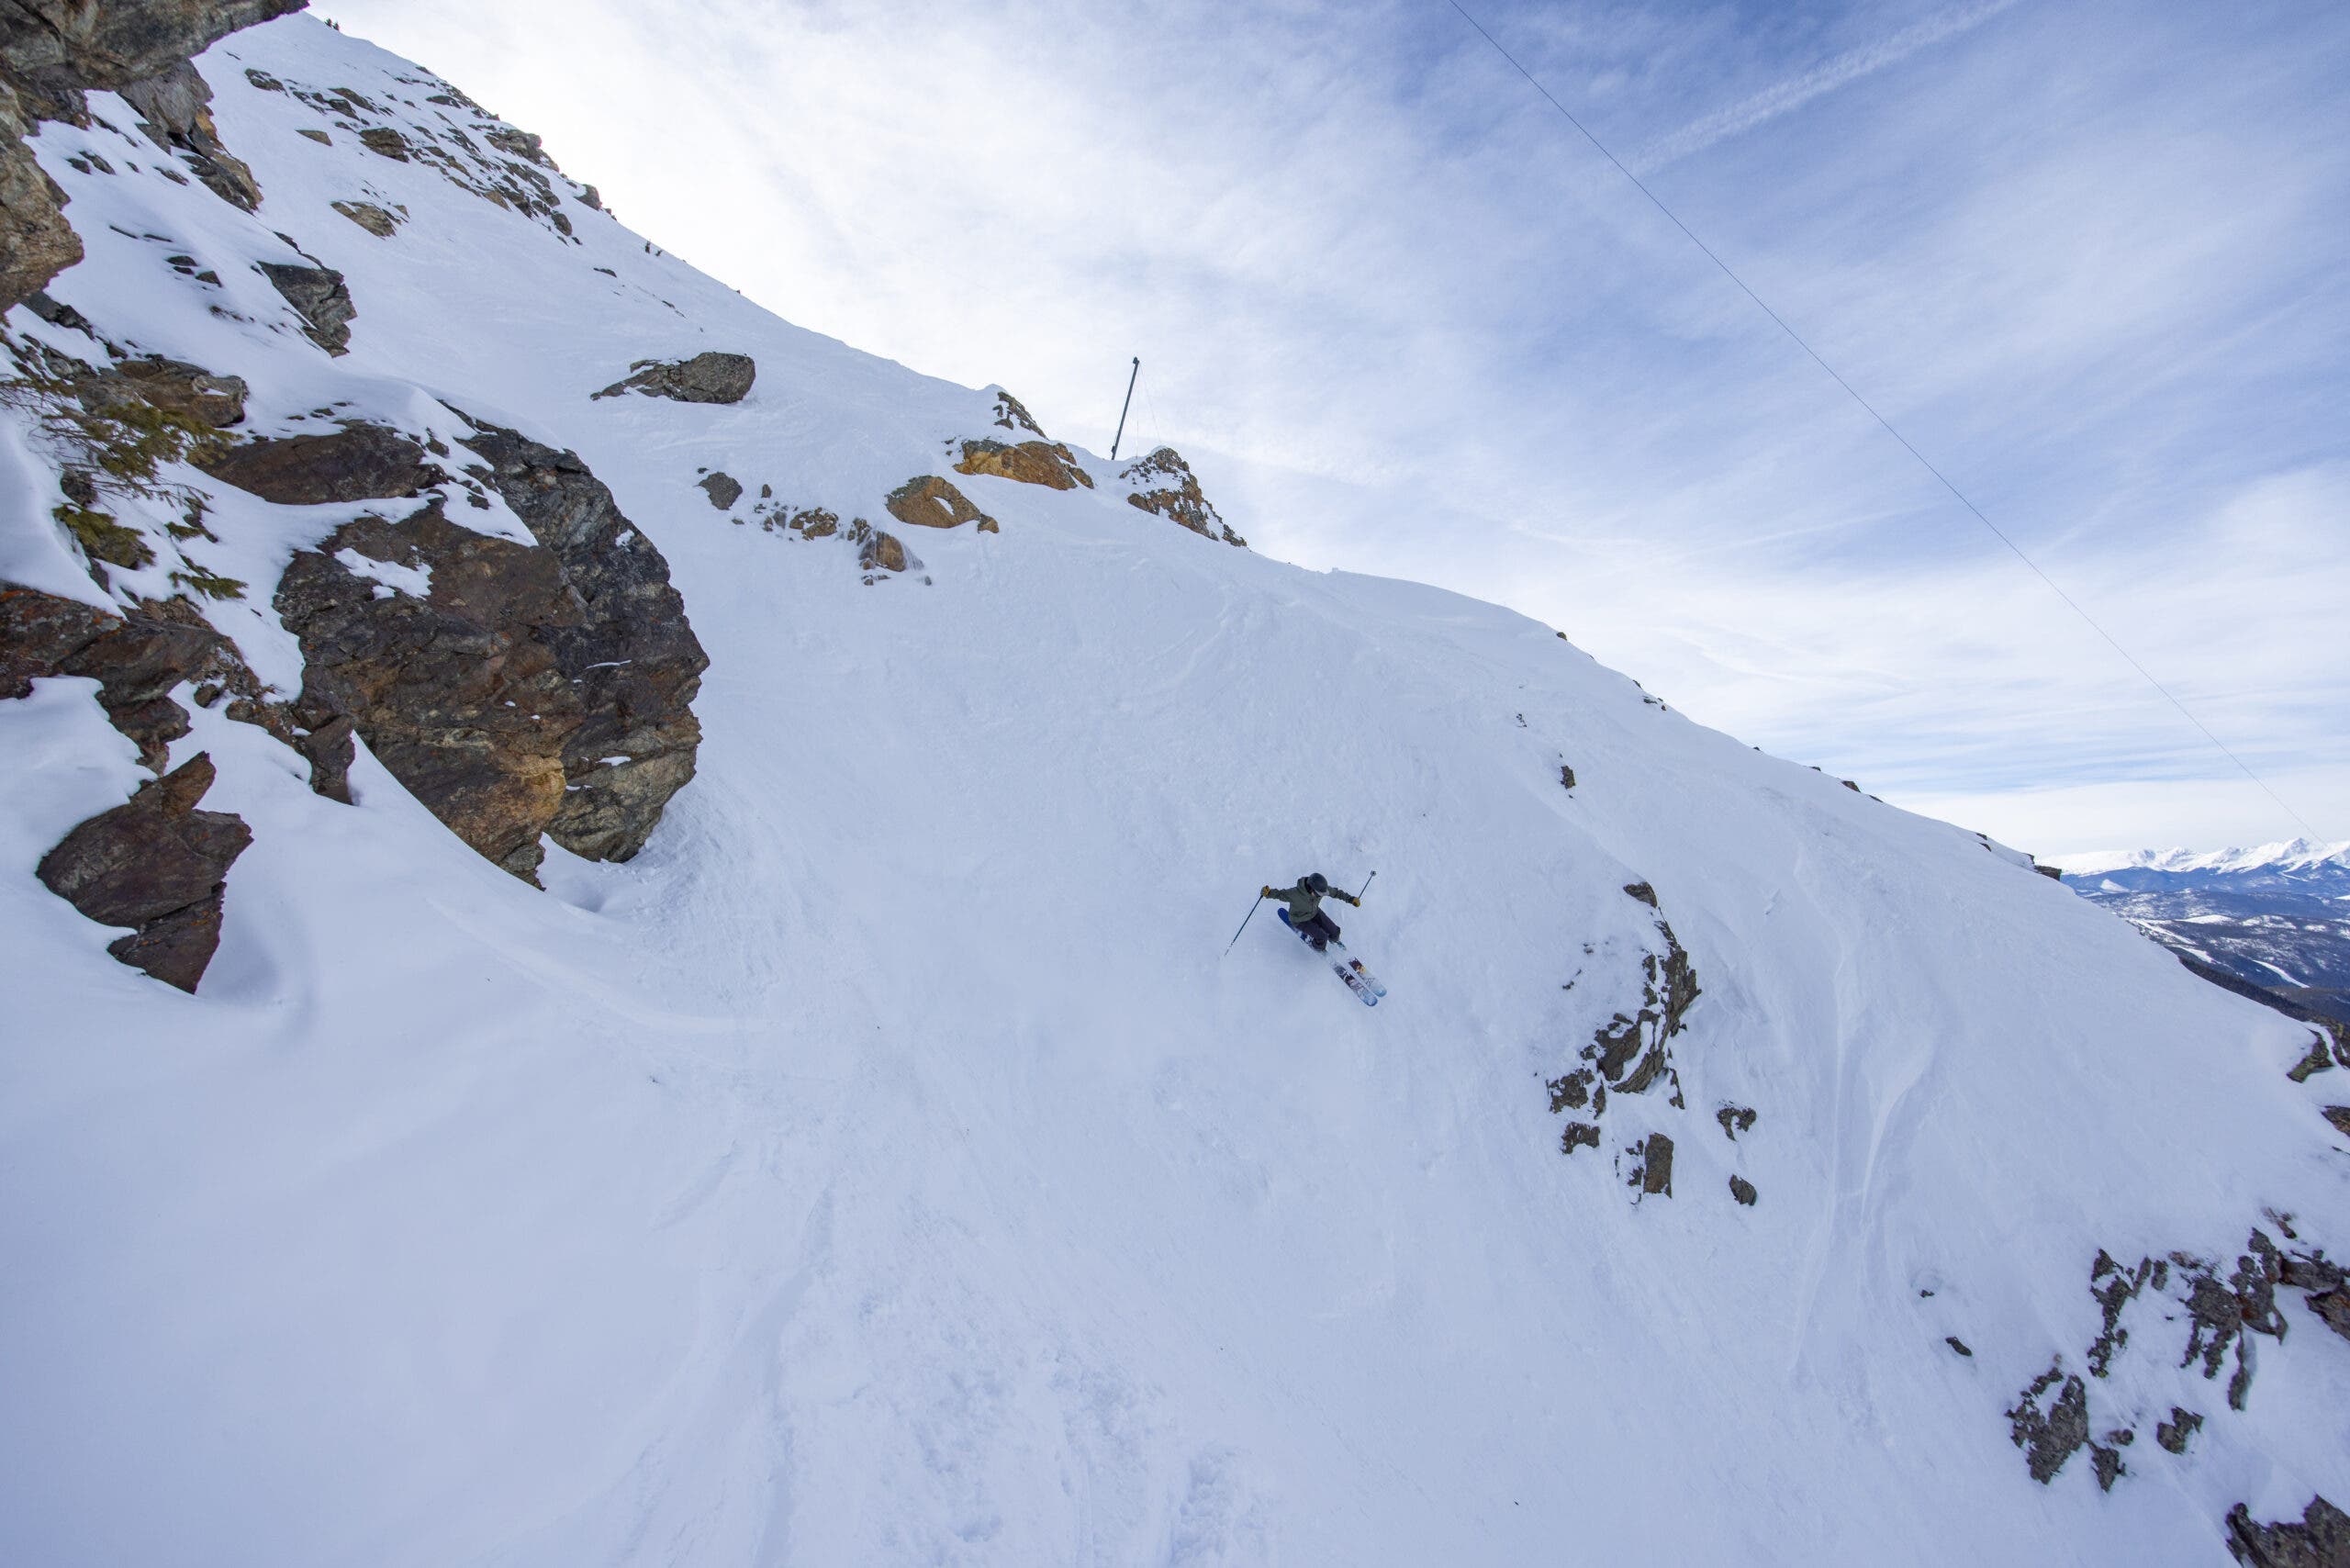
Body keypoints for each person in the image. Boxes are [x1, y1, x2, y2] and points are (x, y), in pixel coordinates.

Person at [1263, 872, 1360, 951]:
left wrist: (1351, 899)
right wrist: (1268, 893)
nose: (1321, 895)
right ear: (1311, 889)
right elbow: (1279, 894)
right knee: (1322, 937)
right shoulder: (1295, 894)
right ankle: (1318, 948)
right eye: (1319, 894)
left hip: (1314, 913)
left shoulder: (1321, 888)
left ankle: (1334, 939)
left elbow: (1336, 893)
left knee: (1335, 932)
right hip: (1300, 919)